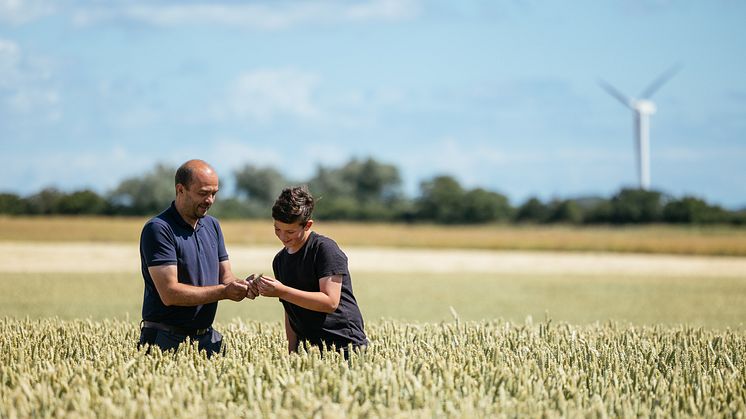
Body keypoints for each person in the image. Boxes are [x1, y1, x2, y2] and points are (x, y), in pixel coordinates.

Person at [138, 159, 255, 357]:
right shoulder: (159, 229)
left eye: (214, 193)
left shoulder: (212, 226)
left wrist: (244, 286)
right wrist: (224, 292)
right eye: (203, 193)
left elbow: (226, 277)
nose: (209, 200)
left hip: (207, 339)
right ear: (180, 189)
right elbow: (170, 293)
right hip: (165, 341)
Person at [252, 186, 368, 358]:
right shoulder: (279, 260)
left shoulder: (324, 249)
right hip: (309, 352)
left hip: (345, 346)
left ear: (307, 225)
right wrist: (292, 351)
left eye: (290, 231)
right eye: (277, 229)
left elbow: (330, 302)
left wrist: (281, 291)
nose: (283, 237)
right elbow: (290, 310)